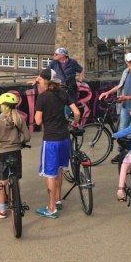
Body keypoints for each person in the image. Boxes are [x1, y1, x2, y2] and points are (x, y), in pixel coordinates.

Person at [34, 68, 80, 219]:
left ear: (46, 82)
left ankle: (51, 207)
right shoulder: (63, 93)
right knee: (60, 169)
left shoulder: (42, 97)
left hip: (51, 140)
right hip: (64, 138)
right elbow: (77, 113)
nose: (38, 81)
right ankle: (58, 199)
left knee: (50, 173)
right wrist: (74, 123)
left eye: (40, 79)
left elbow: (38, 121)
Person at [98, 52, 131, 163]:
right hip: (125, 107)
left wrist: (126, 97)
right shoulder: (126, 72)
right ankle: (122, 154)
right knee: (122, 131)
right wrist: (108, 92)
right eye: (130, 61)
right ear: (126, 62)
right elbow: (120, 86)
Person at [0, 92, 31, 219]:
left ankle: (2, 208)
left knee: (2, 181)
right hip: (16, 152)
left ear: (4, 107)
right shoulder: (19, 119)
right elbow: (27, 137)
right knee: (15, 178)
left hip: (2, 153)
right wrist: (17, 139)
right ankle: (16, 201)